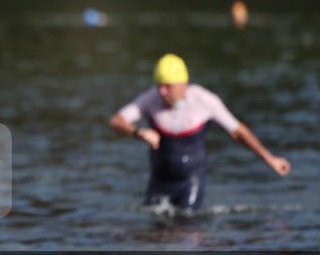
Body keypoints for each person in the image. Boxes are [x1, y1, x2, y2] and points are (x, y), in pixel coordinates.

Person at [109, 53, 291, 212]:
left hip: (190, 182)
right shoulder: (151, 99)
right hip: (159, 182)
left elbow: (238, 131)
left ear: (183, 84)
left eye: (168, 86)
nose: (162, 91)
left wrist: (269, 158)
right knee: (155, 234)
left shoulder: (204, 100)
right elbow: (116, 121)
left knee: (186, 228)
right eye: (159, 85)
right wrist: (138, 132)